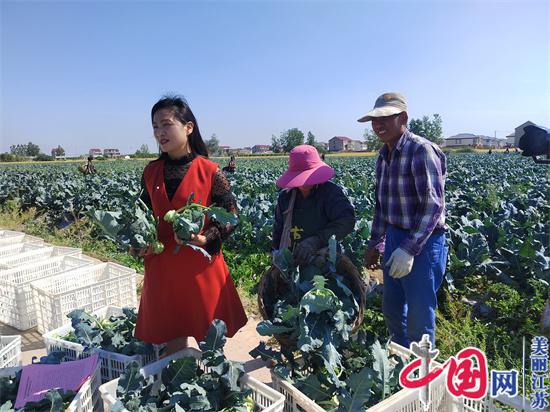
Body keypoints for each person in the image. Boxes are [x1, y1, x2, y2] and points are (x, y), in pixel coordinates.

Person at [133, 95, 247, 355]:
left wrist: (207, 238)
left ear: (188, 127)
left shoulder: (210, 171)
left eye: (166, 124)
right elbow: (142, 215)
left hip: (200, 268)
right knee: (171, 344)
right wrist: (138, 242)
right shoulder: (150, 172)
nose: (160, 132)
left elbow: (232, 214)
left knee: (210, 347)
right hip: (162, 269)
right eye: (154, 127)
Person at [358, 92, 448, 348]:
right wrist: (375, 243)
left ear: (403, 118)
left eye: (386, 117)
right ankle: (401, 358)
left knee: (420, 312)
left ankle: (422, 372)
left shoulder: (421, 150)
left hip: (425, 240)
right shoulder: (383, 156)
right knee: (393, 307)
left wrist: (409, 249)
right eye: (375, 119)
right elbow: (381, 205)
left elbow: (432, 206)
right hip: (395, 236)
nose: (378, 125)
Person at [272, 145, 355, 266]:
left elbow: (347, 221)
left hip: (325, 258)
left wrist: (316, 240)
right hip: (292, 260)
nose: (305, 182)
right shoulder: (285, 197)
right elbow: (279, 228)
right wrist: (275, 253)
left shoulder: (331, 193)